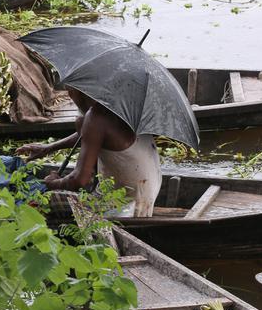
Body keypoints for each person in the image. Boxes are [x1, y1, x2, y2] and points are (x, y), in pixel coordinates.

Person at [15, 87, 162, 217]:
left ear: (79, 90)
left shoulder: (96, 116)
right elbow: (89, 136)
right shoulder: (122, 107)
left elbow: (78, 181)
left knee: (45, 201)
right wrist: (48, 147)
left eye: (70, 90)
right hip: (144, 201)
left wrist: (52, 183)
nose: (70, 95)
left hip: (125, 209)